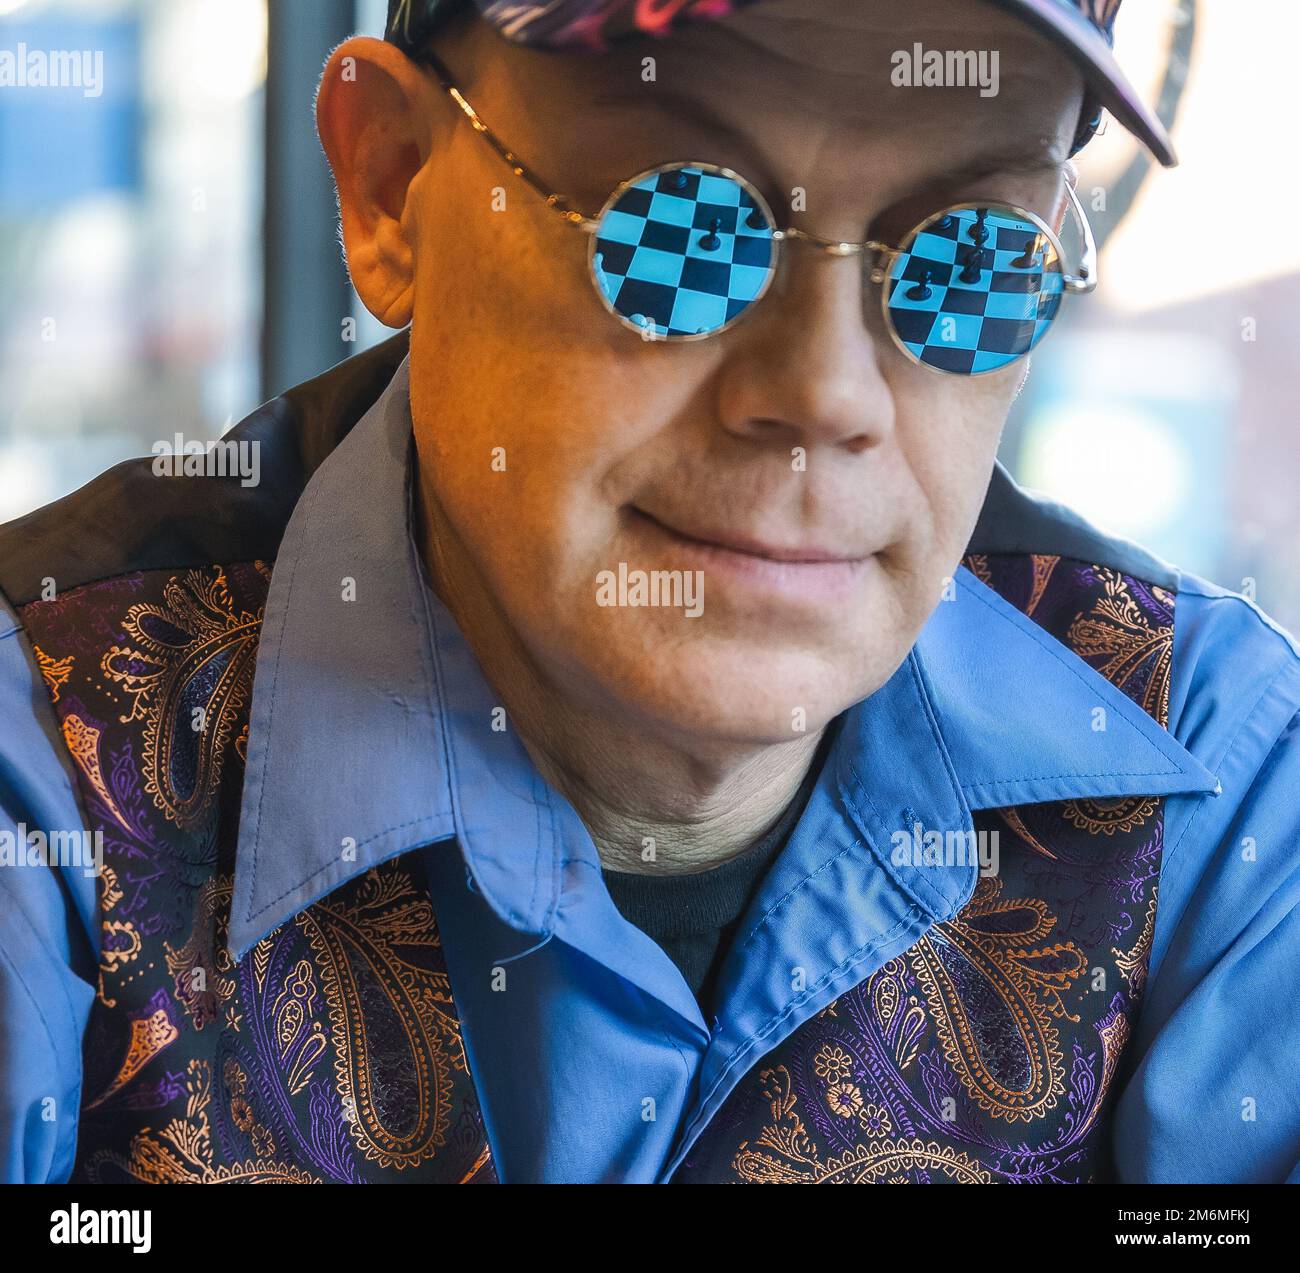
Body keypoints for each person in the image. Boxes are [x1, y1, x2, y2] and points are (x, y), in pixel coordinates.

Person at [1, 0, 1296, 1184]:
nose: (826, 396)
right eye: (685, 225)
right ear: (393, 186)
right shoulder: (47, 745)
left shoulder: (1218, 785)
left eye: (967, 264)